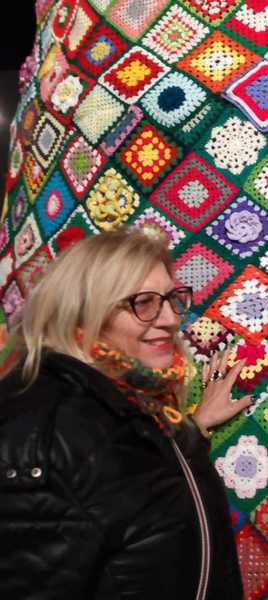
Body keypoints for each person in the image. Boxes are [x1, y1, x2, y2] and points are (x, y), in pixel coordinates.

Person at [0, 227, 251, 600]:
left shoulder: (139, 403)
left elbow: (131, 490)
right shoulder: (40, 431)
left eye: (171, 299)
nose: (170, 318)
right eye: (143, 302)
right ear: (84, 310)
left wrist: (194, 427)